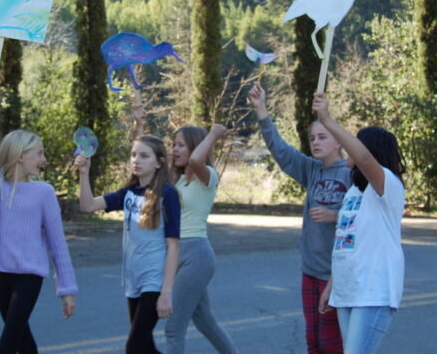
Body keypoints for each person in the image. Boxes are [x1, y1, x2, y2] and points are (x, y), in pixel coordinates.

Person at [0, 71, 77, 354]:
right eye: (38, 154)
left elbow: (57, 244)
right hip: (1, 273)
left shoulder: (44, 192)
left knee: (6, 346)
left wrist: (67, 290)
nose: (43, 160)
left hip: (30, 277)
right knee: (23, 343)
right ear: (20, 155)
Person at [248, 83, 351, 354]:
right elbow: (280, 150)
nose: (315, 142)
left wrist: (335, 215)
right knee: (313, 342)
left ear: (339, 140)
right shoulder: (311, 169)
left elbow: (364, 221)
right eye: (312, 138)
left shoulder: (352, 174)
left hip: (336, 275)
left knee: (332, 345)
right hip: (310, 271)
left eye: (323, 137)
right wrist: (262, 111)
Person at [132, 106, 239, 353]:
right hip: (175, 255)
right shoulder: (176, 180)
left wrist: (212, 135)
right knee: (205, 322)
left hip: (197, 256)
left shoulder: (208, 177)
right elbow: (145, 162)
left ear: (194, 146)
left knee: (173, 328)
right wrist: (139, 126)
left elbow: (196, 160)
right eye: (173, 144)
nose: (174, 150)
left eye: (180, 144)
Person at [314, 92, 406, 354]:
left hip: (374, 290)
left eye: (355, 142)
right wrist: (332, 287)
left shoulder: (387, 184)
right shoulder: (354, 191)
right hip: (348, 289)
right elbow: (346, 243)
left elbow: (365, 160)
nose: (348, 147)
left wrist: (328, 120)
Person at [76, 132, 180, 354]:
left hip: (154, 280)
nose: (136, 160)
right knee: (144, 347)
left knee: (134, 347)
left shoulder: (167, 194)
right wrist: (83, 174)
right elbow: (88, 206)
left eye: (144, 156)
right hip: (133, 277)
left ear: (159, 163)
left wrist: (166, 292)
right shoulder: (129, 192)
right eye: (133, 155)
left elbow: (173, 245)